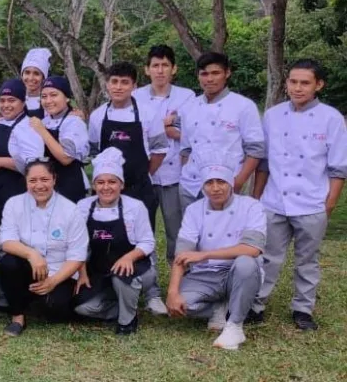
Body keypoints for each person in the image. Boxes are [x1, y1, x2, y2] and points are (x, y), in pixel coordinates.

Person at [249, 59, 347, 331]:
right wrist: (256, 199)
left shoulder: (331, 118)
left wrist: (328, 207)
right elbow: (264, 163)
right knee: (267, 256)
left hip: (312, 202)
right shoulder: (273, 115)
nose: (298, 88)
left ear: (319, 85)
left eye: (305, 83)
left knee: (307, 260)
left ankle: (303, 309)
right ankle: (256, 304)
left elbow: (338, 168)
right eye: (293, 82)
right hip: (275, 200)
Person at [87, 61, 169, 314]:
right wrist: (108, 183)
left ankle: (153, 293)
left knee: (144, 238)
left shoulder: (147, 113)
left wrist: (141, 175)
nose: (119, 87)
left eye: (125, 82)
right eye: (114, 81)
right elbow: (93, 151)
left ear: (134, 85)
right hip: (107, 189)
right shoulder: (98, 115)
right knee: (105, 235)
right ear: (107, 85)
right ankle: (107, 283)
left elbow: (158, 150)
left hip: (139, 186)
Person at [166, 150, 266, 351]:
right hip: (205, 275)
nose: (215, 188)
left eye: (221, 182)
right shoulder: (194, 210)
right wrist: (172, 291)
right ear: (203, 186)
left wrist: (205, 254)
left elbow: (253, 249)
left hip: (236, 273)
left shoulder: (251, 206)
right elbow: (182, 254)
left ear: (230, 183)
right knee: (182, 306)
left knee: (245, 262)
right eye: (209, 183)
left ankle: (234, 325)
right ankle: (220, 306)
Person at [0, 159, 86, 336]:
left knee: (55, 310)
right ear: (26, 181)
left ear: (54, 179)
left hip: (58, 271)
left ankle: (32, 299)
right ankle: (17, 317)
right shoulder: (14, 204)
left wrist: (53, 281)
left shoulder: (70, 210)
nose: (39, 186)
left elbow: (77, 255)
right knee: (8, 263)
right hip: (27, 267)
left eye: (44, 180)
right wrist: (32, 255)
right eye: (33, 181)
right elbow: (6, 240)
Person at [72, 148, 157, 335]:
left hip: (136, 267)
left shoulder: (135, 207)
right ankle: (123, 307)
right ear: (94, 186)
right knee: (81, 307)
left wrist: (129, 257)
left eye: (112, 182)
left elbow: (148, 242)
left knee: (122, 276)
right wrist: (82, 272)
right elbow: (76, 244)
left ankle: (127, 321)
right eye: (100, 182)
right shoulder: (83, 207)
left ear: (121, 185)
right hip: (100, 270)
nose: (106, 187)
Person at [133, 45, 195, 266]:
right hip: (144, 173)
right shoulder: (135, 96)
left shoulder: (187, 97)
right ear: (147, 69)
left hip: (174, 175)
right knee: (141, 230)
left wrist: (155, 126)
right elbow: (135, 131)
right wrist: (167, 123)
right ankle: (145, 280)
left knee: (175, 229)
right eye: (155, 65)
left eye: (165, 65)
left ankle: (180, 279)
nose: (160, 70)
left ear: (174, 69)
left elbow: (188, 133)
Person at [178, 52, 265, 211]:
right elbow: (185, 149)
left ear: (227, 73)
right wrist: (185, 172)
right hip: (191, 186)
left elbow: (255, 150)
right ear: (198, 76)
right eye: (204, 74)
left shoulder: (244, 106)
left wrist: (237, 182)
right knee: (192, 234)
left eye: (215, 73)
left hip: (227, 187)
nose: (209, 79)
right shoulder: (189, 107)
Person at [0, 79, 44, 227]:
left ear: (23, 103)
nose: (6, 105)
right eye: (2, 100)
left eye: (11, 100)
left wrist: (1, 161)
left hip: (15, 190)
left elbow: (35, 163)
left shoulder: (28, 126)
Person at [29, 76, 89, 203]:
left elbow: (66, 158)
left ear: (67, 98)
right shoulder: (45, 121)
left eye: (53, 95)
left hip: (69, 188)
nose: (48, 100)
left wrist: (42, 130)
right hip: (47, 188)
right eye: (44, 96)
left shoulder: (74, 122)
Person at [21, 48, 51, 119]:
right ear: (22, 75)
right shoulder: (14, 100)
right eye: (27, 72)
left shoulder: (51, 102)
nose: (31, 78)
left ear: (43, 77)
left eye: (36, 73)